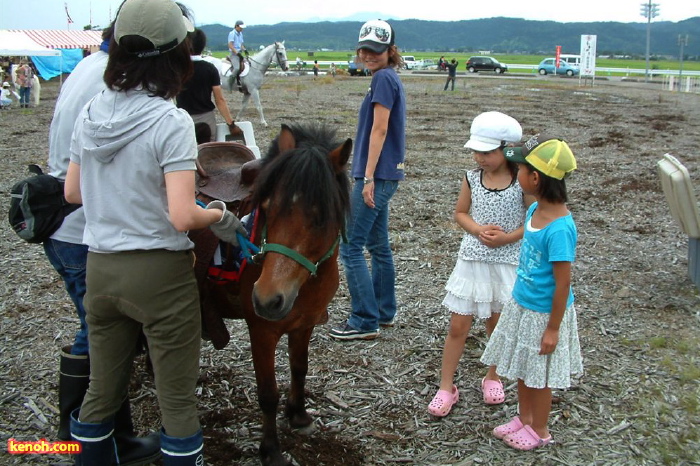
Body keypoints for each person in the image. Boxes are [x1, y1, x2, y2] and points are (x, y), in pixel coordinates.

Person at [64, 0, 246, 464]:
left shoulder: (91, 112)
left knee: (103, 391)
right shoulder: (170, 120)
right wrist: (221, 216)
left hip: (101, 267)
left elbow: (73, 192)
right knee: (177, 400)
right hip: (159, 275)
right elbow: (184, 215)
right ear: (178, 55)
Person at [480, 134, 582, 450]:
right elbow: (527, 238)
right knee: (525, 369)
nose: (516, 172)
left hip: (544, 314)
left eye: (520, 168)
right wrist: (506, 237)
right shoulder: (535, 210)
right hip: (523, 304)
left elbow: (563, 282)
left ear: (535, 178)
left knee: (540, 377)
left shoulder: (561, 228)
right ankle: (524, 419)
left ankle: (540, 429)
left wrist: (552, 328)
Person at [427, 111, 531, 417]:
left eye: (487, 152)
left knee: (496, 324)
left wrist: (508, 238)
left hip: (507, 261)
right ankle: (447, 386)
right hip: (473, 259)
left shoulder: (521, 179)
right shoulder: (472, 177)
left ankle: (493, 375)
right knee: (458, 324)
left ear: (508, 149)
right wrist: (476, 229)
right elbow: (460, 213)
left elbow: (534, 219)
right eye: (476, 151)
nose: (479, 158)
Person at [329, 19, 406, 341]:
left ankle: (364, 319)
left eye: (377, 50)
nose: (369, 55)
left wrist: (369, 177)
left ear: (390, 51)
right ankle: (384, 311)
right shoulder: (385, 78)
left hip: (377, 175)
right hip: (384, 173)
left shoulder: (384, 80)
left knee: (350, 247)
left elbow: (380, 129)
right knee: (377, 246)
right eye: (365, 50)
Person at [177, 28, 236, 141]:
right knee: (207, 154)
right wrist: (231, 124)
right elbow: (219, 100)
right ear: (203, 46)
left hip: (182, 118)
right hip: (206, 119)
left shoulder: (178, 68)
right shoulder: (210, 69)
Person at [227, 20, 247, 86]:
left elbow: (241, 45)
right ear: (236, 26)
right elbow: (230, 45)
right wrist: (237, 53)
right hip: (234, 54)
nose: (242, 28)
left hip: (240, 53)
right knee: (236, 68)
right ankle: (230, 82)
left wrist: (245, 50)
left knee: (247, 64)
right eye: (241, 27)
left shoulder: (240, 34)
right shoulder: (232, 33)